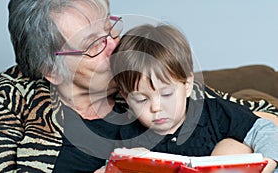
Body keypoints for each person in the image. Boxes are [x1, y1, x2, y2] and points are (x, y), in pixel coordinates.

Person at [0, 0, 277, 172]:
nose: (113, 45)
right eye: (94, 42)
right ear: (50, 70)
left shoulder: (140, 72)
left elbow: (261, 116)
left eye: (109, 27)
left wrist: (233, 150)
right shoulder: (12, 101)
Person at [110, 24, 278, 172]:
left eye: (167, 94)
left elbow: (266, 131)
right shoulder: (128, 136)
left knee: (229, 147)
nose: (156, 107)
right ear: (126, 98)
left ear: (188, 85)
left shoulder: (215, 112)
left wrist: (267, 166)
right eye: (141, 99)